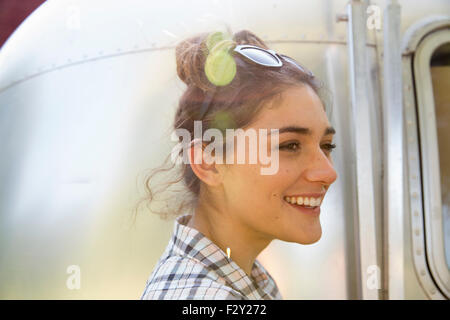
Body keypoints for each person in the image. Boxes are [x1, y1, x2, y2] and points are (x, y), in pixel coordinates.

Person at [140, 29, 337, 300]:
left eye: (326, 146)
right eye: (290, 146)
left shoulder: (245, 281)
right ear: (208, 163)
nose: (328, 172)